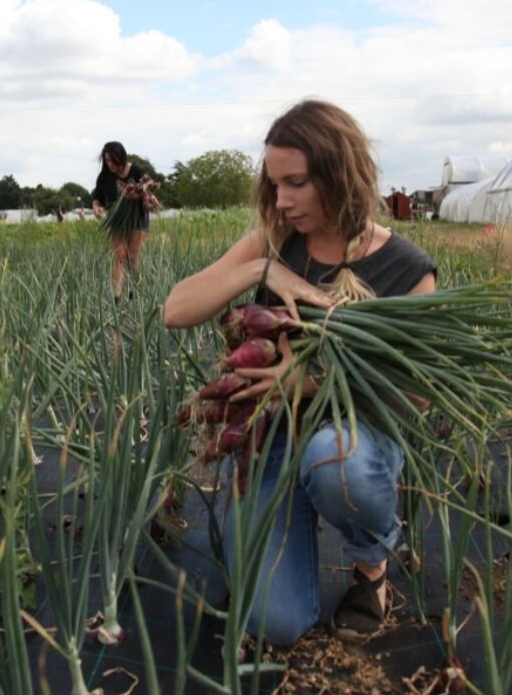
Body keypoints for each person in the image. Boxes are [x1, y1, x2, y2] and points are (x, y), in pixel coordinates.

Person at [163, 100, 437, 645]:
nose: (283, 200)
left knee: (337, 461)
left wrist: (308, 382)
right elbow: (175, 309)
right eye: (275, 185)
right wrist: (263, 270)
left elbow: (417, 396)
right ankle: (284, 515)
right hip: (272, 436)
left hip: (352, 437)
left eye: (298, 183)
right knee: (276, 623)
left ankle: (371, 564)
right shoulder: (275, 239)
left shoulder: (406, 268)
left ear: (341, 174)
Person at [91, 141, 148, 299]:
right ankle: (117, 297)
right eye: (107, 160)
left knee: (132, 257)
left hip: (137, 216)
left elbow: (146, 194)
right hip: (117, 218)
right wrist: (96, 208)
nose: (109, 164)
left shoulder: (136, 171)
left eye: (112, 160)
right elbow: (97, 199)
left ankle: (138, 293)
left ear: (121, 157)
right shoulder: (104, 177)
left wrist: (134, 195)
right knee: (120, 255)